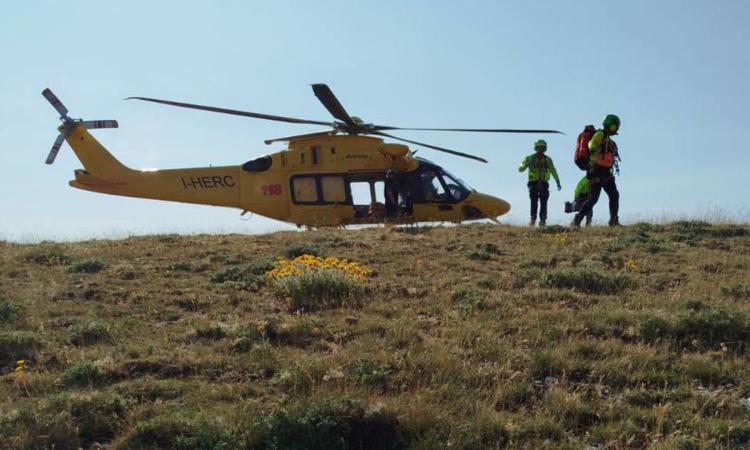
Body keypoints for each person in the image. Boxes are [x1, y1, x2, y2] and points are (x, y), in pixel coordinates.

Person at [572, 114, 621, 227]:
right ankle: (578, 219)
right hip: (596, 171)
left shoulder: (608, 139)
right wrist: (594, 149)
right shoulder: (600, 134)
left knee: (614, 195)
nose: (617, 128)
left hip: (605, 172)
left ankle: (614, 221)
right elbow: (591, 143)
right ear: (610, 125)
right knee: (594, 198)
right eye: (615, 126)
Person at [518, 139, 561, 226]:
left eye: (542, 148)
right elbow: (520, 169)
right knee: (534, 201)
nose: (540, 150)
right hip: (533, 183)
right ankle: (533, 219)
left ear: (544, 149)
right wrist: (526, 164)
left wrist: (557, 181)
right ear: (536, 148)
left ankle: (543, 220)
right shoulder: (529, 158)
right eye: (539, 148)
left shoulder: (548, 160)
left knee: (543, 202)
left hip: (544, 184)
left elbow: (553, 171)